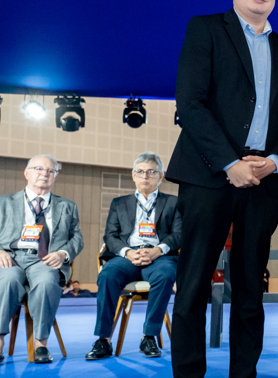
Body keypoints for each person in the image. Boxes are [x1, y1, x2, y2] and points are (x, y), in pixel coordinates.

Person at [166, 0, 278, 378]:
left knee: (249, 291)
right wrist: (230, 163)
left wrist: (275, 162)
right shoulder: (205, 30)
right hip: (209, 176)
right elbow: (191, 104)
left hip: (262, 183)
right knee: (196, 285)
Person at [86, 152, 182, 360]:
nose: (145, 176)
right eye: (140, 171)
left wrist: (157, 250)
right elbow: (110, 236)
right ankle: (104, 339)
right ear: (133, 176)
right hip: (127, 257)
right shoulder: (119, 203)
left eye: (151, 172)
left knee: (165, 275)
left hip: (160, 257)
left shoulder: (174, 203)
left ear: (161, 176)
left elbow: (179, 235)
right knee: (107, 275)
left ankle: (149, 336)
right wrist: (128, 252)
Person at [0, 155, 84, 364]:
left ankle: (41, 344)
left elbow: (77, 237)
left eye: (50, 171)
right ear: (26, 172)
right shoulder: (4, 202)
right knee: (7, 281)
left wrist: (62, 254)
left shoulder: (67, 206)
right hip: (11, 257)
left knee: (47, 282)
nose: (44, 174)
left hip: (45, 259)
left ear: (55, 176)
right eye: (38, 168)